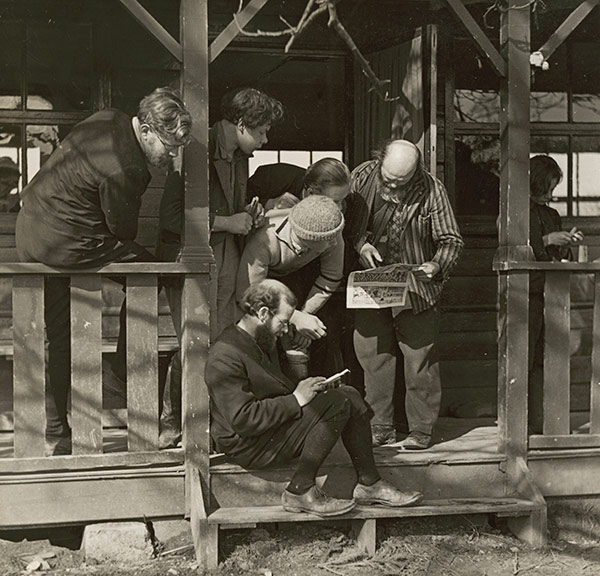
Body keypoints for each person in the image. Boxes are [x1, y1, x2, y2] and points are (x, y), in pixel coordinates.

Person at [16, 87, 192, 455]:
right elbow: (122, 230)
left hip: (32, 229)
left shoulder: (111, 116)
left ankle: (56, 429)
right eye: (168, 146)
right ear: (145, 130)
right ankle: (119, 374)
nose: (171, 156)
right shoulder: (128, 168)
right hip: (65, 241)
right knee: (151, 275)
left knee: (58, 335)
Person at [205, 279, 423, 516]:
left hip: (266, 431)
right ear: (263, 313)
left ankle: (369, 484)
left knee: (347, 394)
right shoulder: (226, 354)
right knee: (338, 403)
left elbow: (272, 390)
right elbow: (243, 419)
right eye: (284, 322)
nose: (286, 330)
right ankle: (299, 490)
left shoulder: (257, 339)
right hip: (248, 445)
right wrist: (297, 398)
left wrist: (309, 390)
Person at [155, 87, 283, 449]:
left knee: (222, 340)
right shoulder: (192, 150)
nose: (265, 138)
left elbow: (232, 209)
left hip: (225, 257)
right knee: (194, 340)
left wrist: (250, 217)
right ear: (240, 124)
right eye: (260, 132)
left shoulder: (239, 156)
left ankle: (213, 422)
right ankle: (173, 421)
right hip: (190, 257)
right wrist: (229, 222)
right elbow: (171, 218)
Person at [351, 139, 464, 449]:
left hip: (416, 287)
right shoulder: (360, 177)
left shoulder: (432, 189)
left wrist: (435, 265)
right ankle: (380, 428)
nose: (394, 186)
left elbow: (451, 240)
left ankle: (420, 432)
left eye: (402, 181)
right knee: (373, 356)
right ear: (379, 161)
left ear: (416, 172)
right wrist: (361, 244)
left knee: (420, 359)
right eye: (388, 180)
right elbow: (344, 222)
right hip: (372, 284)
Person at [246, 158, 365, 378]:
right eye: (334, 201)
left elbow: (330, 275)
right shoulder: (277, 182)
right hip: (257, 273)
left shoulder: (333, 228)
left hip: (301, 273)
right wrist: (265, 204)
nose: (340, 208)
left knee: (310, 333)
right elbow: (249, 289)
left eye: (343, 201)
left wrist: (303, 315)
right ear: (310, 193)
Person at [236, 195, 345, 380]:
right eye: (329, 240)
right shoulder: (264, 240)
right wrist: (293, 317)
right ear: (308, 237)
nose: (335, 243)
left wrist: (306, 314)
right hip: (260, 287)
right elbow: (248, 293)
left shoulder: (330, 231)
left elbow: (331, 277)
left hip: (300, 283)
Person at [527, 155, 583, 434]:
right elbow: (518, 246)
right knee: (524, 357)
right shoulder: (516, 210)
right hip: (525, 295)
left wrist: (565, 243)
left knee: (546, 358)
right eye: (546, 188)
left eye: (553, 189)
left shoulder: (551, 215)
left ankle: (542, 421)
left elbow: (556, 255)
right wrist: (547, 240)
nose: (550, 195)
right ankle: (522, 421)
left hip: (552, 294)